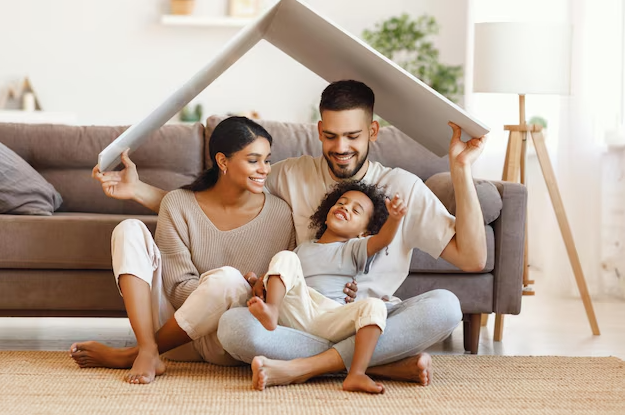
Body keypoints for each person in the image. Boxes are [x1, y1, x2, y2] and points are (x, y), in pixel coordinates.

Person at [86, 80, 487, 388]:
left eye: (353, 136)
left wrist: (460, 169)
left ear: (374, 132)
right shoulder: (290, 174)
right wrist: (138, 191)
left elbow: (471, 258)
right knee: (234, 328)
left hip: (369, 318)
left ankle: (306, 368)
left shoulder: (403, 188)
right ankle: (376, 364)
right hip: (299, 320)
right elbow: (218, 200)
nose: (341, 147)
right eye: (330, 135)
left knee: (446, 307)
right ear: (319, 130)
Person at [69, 116, 295, 384]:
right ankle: (147, 346)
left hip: (227, 337)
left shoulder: (280, 213)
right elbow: (176, 288)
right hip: (176, 334)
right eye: (253, 160)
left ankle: (136, 354)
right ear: (223, 162)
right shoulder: (178, 203)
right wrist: (213, 290)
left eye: (267, 160)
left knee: (228, 280)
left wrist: (251, 288)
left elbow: (281, 284)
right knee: (128, 229)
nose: (265, 169)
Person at [247, 182, 407, 393]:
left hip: (329, 316)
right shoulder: (303, 247)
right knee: (286, 256)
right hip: (297, 310)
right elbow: (284, 274)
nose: (345, 208)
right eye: (341, 203)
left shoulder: (353, 249)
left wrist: (394, 219)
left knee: (374, 306)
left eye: (355, 210)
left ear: (363, 232)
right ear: (325, 214)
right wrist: (257, 281)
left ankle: (357, 374)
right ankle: (272, 310)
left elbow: (382, 240)